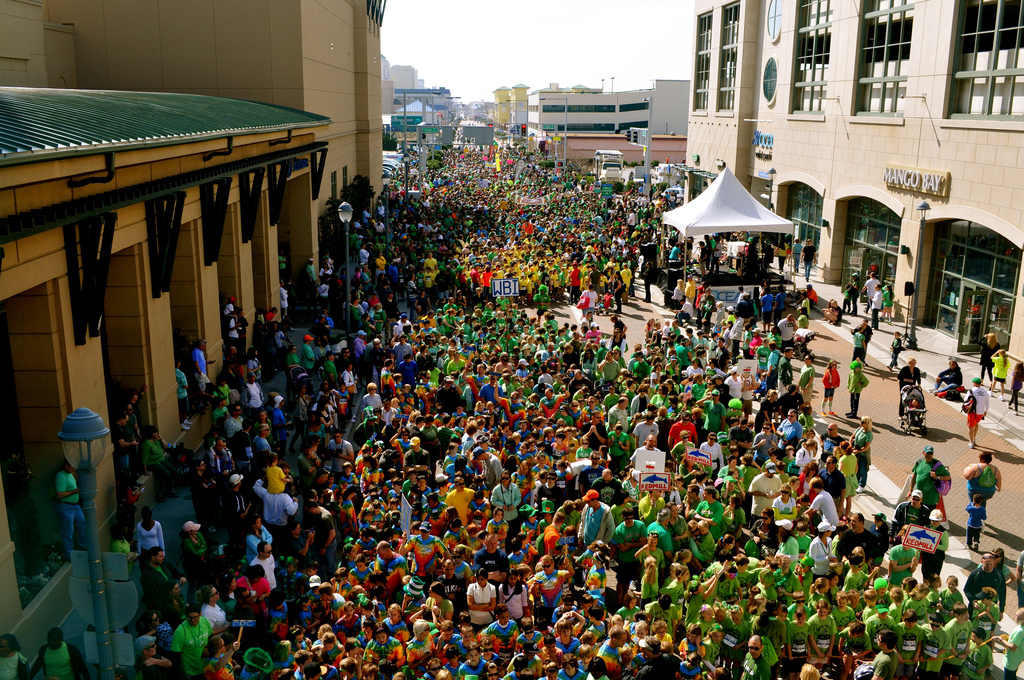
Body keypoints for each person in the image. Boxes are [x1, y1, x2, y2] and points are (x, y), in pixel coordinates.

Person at [54, 458, 85, 561]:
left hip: (76, 506)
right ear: (66, 466)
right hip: (66, 507)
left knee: (82, 525)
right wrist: (74, 491)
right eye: (72, 467)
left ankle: (83, 546)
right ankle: (68, 554)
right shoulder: (61, 476)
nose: (74, 469)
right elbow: (60, 494)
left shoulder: (70, 474)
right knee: (68, 531)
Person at [965, 377, 990, 449]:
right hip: (981, 412)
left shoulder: (971, 391)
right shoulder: (984, 391)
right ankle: (974, 439)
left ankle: (971, 442)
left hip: (973, 412)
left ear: (975, 383)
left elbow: (966, 399)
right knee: (976, 424)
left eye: (973, 382)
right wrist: (985, 410)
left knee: (971, 427)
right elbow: (987, 403)